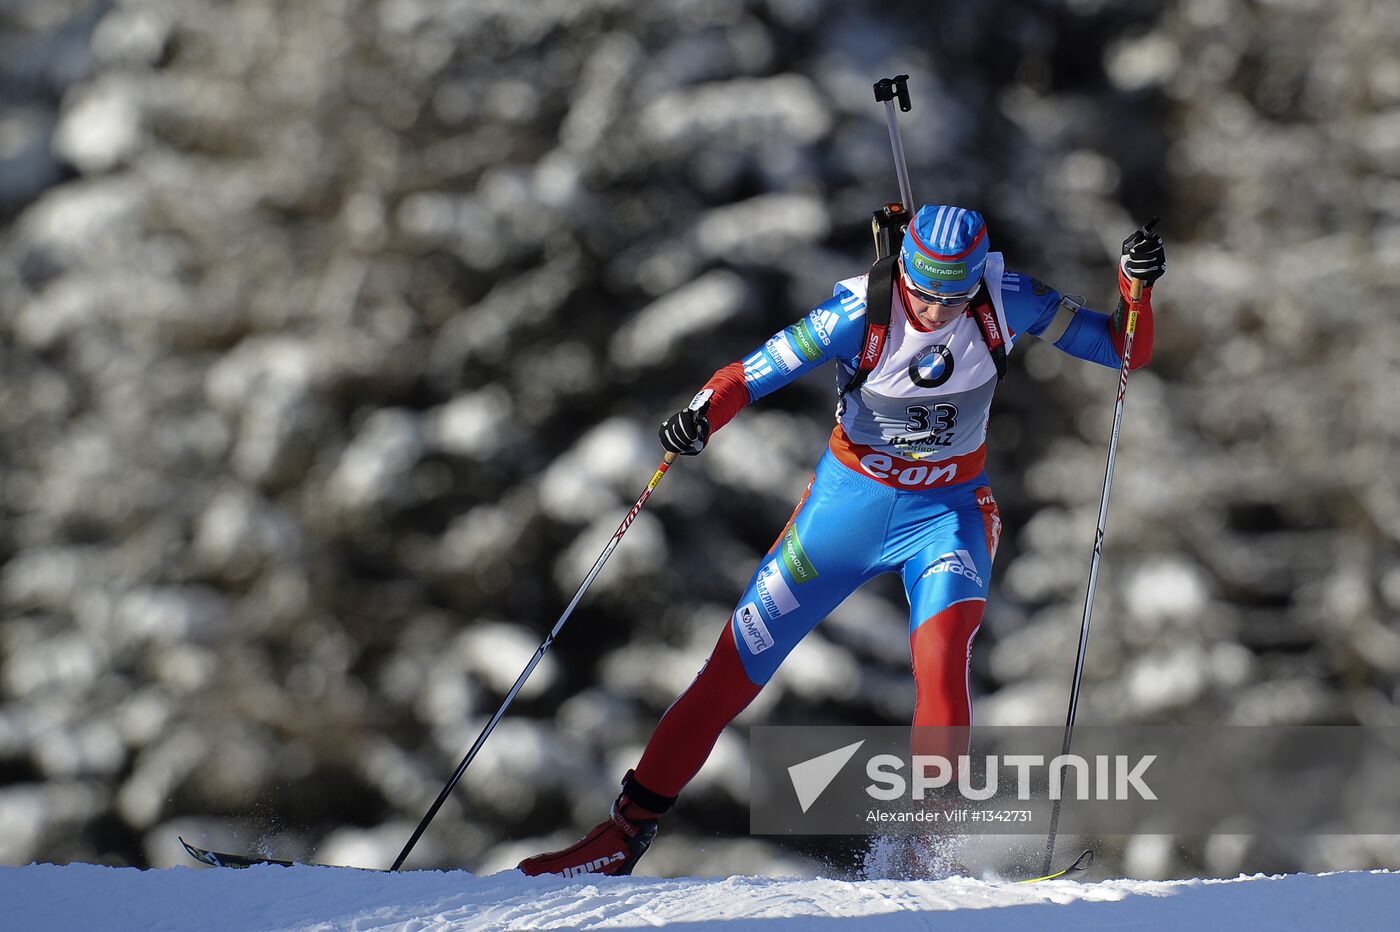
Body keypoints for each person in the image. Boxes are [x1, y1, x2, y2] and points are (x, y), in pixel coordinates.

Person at [518, 204, 1167, 878]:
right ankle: (625, 833)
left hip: (947, 514)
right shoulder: (857, 316)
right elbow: (748, 373)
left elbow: (1124, 349)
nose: (939, 312)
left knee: (941, 661)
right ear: (904, 273)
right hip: (843, 513)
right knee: (732, 669)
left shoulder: (1009, 302)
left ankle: (924, 849)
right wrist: (701, 416)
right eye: (924, 294)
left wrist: (1132, 288)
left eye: (954, 297)